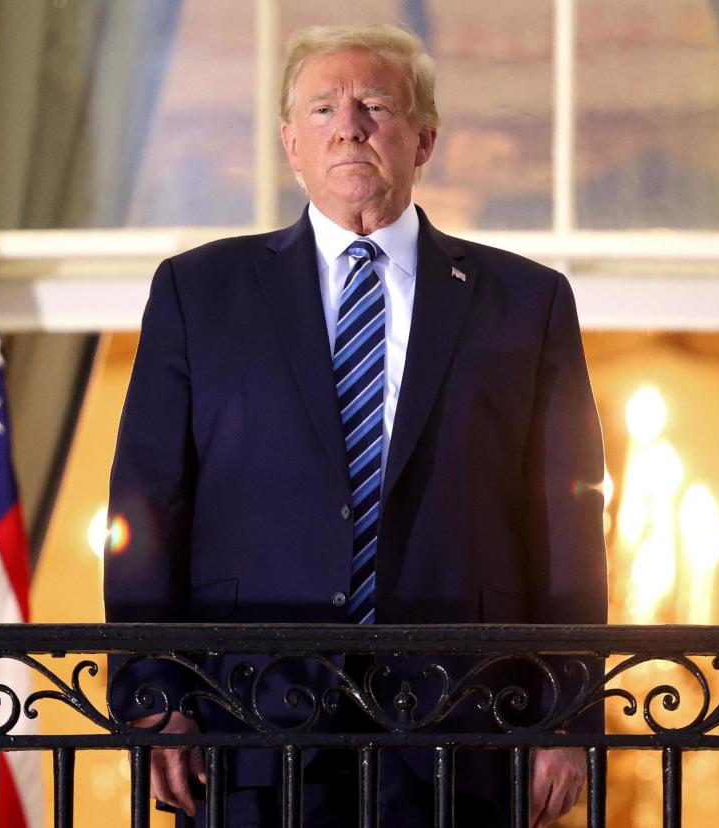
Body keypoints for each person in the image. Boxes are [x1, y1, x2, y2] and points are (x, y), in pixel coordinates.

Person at [104, 23, 607, 827]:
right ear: (289, 143)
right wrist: (152, 699)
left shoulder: (527, 303)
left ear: (425, 139)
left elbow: (568, 524)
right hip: (249, 727)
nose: (349, 125)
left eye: (375, 104)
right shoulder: (199, 293)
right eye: (322, 108)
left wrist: (570, 715)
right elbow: (145, 508)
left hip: (461, 729)